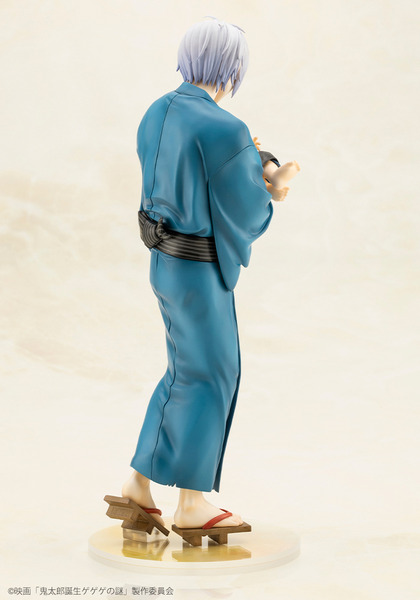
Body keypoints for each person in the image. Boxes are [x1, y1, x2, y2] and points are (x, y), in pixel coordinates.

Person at [120, 17, 299, 533]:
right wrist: (270, 186)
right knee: (213, 374)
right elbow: (245, 208)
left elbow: (178, 170)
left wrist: (242, 158)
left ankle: (138, 486)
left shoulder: (157, 111)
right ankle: (193, 504)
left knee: (183, 370)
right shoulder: (225, 127)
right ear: (232, 67)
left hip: (163, 260)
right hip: (199, 269)